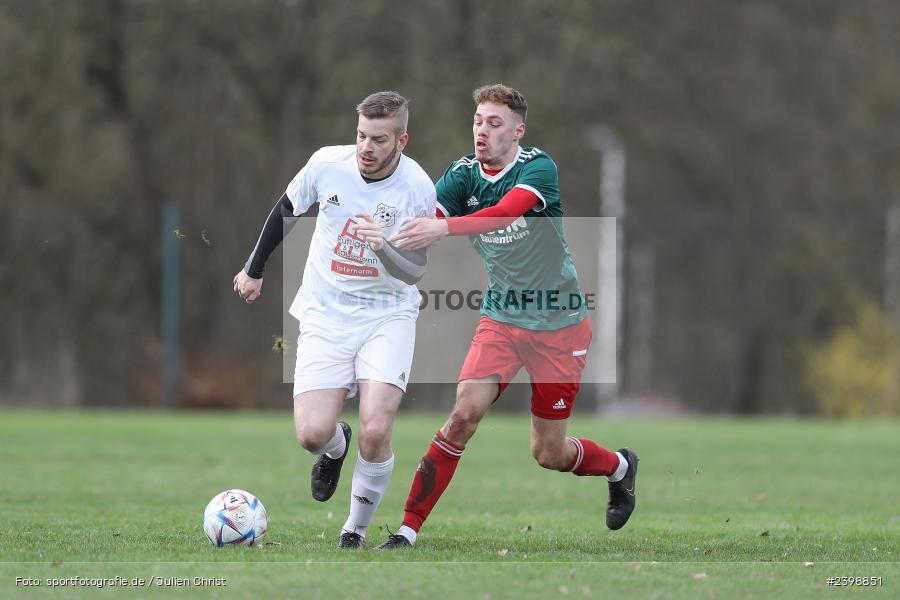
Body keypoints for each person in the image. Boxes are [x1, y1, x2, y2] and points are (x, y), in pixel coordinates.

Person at [374, 84, 638, 550]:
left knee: (548, 453)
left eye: (494, 124)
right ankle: (407, 531)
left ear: (518, 131)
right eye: (477, 122)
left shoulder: (538, 168)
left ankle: (619, 466)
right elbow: (425, 220)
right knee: (461, 418)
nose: (481, 131)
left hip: (560, 325)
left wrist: (444, 227)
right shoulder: (460, 176)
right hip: (501, 319)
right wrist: (384, 237)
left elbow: (503, 213)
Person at [233, 91, 436, 549]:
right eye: (362, 135)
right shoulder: (328, 164)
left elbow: (416, 270)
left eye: (380, 140)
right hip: (326, 313)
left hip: (387, 315)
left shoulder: (418, 189)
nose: (366, 147)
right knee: (311, 434)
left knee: (377, 427)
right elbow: (286, 208)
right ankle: (335, 447)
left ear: (402, 140)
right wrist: (254, 268)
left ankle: (354, 531)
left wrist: (384, 244)